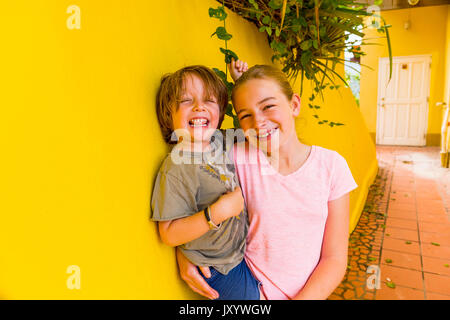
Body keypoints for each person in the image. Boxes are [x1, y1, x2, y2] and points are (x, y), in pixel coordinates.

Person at [176, 60, 358, 300]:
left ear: (294, 104)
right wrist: (186, 255)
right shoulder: (236, 157)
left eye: (268, 106)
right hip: (247, 287)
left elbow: (334, 259)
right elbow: (192, 206)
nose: (258, 123)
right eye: (246, 115)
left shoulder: (332, 166)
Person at [150, 65, 261, 300]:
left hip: (241, 251)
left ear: (220, 112)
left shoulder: (219, 140)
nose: (199, 106)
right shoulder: (177, 167)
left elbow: (255, 131)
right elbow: (169, 234)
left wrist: (243, 82)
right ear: (168, 116)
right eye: (186, 100)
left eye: (209, 100)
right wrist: (216, 213)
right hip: (218, 267)